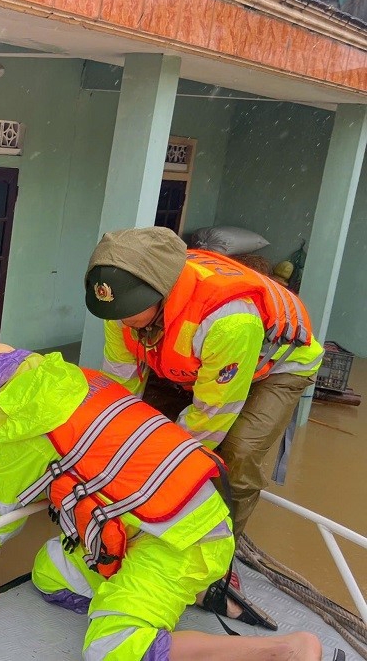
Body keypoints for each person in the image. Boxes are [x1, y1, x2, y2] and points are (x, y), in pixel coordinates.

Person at [0, 345, 323, 661]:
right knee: (49, 569)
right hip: (181, 512)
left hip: (178, 541)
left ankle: (285, 651)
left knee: (110, 649)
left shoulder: (15, 425)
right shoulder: (79, 379)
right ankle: (162, 598)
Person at [84, 227, 323, 538]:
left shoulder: (227, 320)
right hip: (198, 361)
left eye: (130, 312)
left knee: (236, 456)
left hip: (276, 366)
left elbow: (212, 415)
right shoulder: (121, 309)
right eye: (117, 312)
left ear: (161, 290)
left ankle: (221, 549)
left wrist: (166, 465)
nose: (122, 320)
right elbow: (120, 384)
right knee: (143, 431)